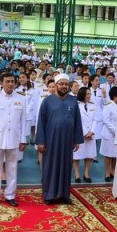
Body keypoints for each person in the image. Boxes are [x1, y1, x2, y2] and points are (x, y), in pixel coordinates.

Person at [36, 73, 84, 205]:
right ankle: (49, 195)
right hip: (51, 140)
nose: (64, 86)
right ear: (56, 85)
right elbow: (41, 122)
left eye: (66, 84)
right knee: (50, 166)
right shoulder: (47, 101)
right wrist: (40, 141)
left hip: (67, 140)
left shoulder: (73, 101)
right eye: (61, 84)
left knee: (65, 166)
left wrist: (76, 139)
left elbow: (77, 121)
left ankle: (64, 194)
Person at [0, 73, 27, 207]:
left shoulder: (21, 98)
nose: (10, 84)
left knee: (12, 168)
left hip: (14, 139)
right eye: (7, 81)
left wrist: (23, 140)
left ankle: (10, 195)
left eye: (12, 82)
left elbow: (23, 121)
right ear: (1, 83)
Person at [73, 87, 96, 183]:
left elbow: (96, 120)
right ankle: (77, 174)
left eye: (90, 94)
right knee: (77, 155)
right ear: (82, 94)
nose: (89, 96)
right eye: (87, 94)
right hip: (80, 134)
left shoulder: (93, 105)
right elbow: (76, 120)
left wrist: (92, 131)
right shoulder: (76, 105)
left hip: (91, 135)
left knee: (89, 155)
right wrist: (84, 132)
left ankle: (86, 174)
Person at [100, 86, 117, 182]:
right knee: (108, 155)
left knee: (115, 155)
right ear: (114, 96)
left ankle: (113, 171)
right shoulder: (108, 105)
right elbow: (106, 121)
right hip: (109, 134)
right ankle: (107, 172)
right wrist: (116, 131)